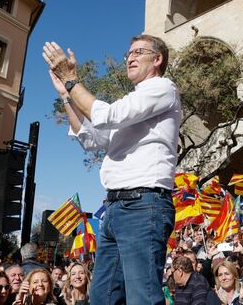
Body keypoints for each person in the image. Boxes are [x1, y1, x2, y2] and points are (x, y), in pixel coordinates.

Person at [43, 34, 181, 304]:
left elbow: (105, 115)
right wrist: (66, 95)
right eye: (128, 53)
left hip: (144, 206)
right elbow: (92, 138)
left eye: (138, 52)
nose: (130, 57)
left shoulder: (163, 88)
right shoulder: (133, 102)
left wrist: (72, 80)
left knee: (142, 297)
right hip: (115, 209)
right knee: (102, 297)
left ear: (157, 59)